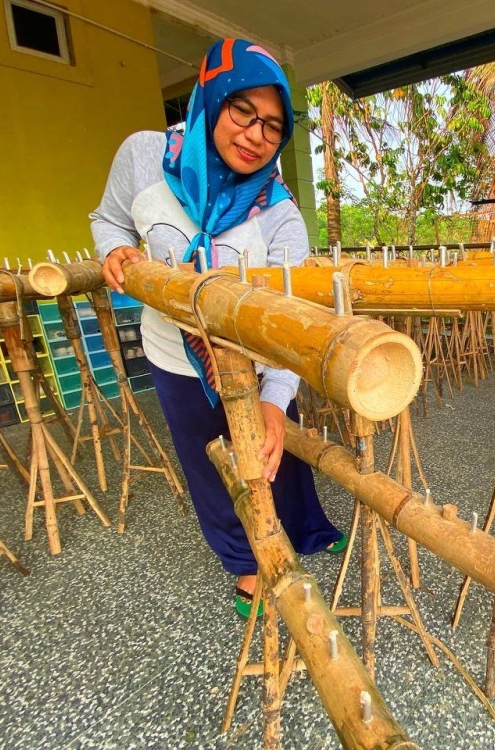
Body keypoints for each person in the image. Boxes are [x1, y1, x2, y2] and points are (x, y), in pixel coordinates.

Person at [91, 38, 345, 618]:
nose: (256, 135)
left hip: (257, 364)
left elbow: (292, 320)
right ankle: (246, 565)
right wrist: (115, 251)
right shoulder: (144, 158)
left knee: (275, 459)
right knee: (212, 468)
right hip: (175, 359)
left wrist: (276, 401)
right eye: (243, 112)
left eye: (274, 126)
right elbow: (107, 218)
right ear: (212, 96)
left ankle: (294, 538)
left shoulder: (280, 213)